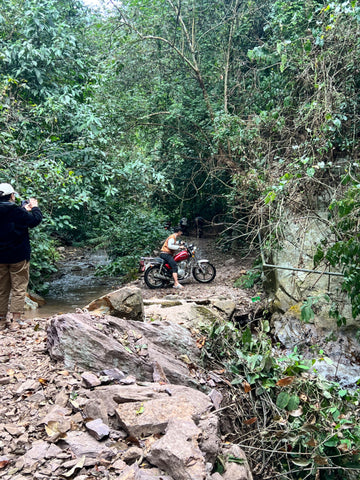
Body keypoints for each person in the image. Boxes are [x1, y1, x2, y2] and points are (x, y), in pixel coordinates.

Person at [0, 183, 43, 330]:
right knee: (18, 288)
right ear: (12, 196)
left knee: (1, 289)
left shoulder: (17, 211)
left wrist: (24, 210)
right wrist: (35, 207)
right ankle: (16, 320)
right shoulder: (18, 211)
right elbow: (35, 220)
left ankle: (1, 321)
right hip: (19, 256)